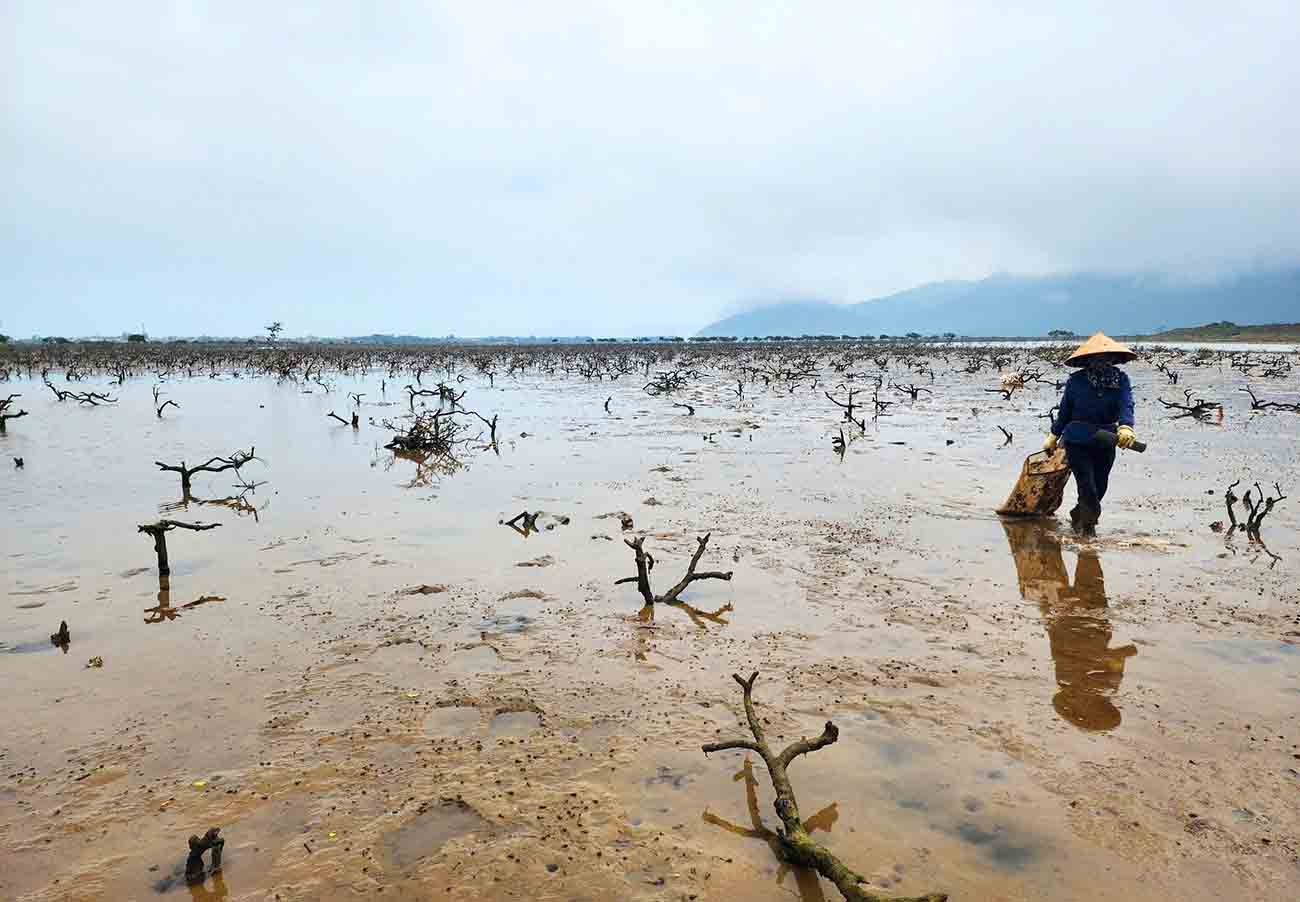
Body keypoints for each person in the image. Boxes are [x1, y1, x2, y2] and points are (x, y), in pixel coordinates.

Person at [1043, 333, 1140, 535]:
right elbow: (1065, 411)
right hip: (1077, 439)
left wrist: (1126, 426)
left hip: (1106, 438)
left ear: (1113, 360)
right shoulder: (1075, 381)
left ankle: (1079, 513)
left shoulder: (1121, 380)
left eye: (1106, 358)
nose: (1101, 362)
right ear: (1087, 361)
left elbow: (1126, 403)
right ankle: (1088, 530)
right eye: (1096, 358)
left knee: (1100, 485)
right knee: (1086, 484)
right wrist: (1053, 435)